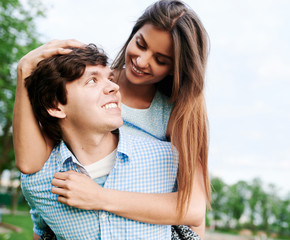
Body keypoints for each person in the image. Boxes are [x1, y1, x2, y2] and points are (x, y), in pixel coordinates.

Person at [14, 0, 210, 238]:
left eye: (160, 60)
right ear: (133, 34)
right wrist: (24, 70)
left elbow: (193, 208)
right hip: (64, 220)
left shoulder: (176, 114)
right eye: (140, 44)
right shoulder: (85, 87)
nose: (141, 61)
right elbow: (30, 163)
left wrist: (99, 197)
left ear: (176, 68)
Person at [21, 44, 182, 239]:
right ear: (55, 106)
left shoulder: (167, 159)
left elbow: (192, 221)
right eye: (92, 81)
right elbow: (41, 232)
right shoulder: (38, 182)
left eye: (110, 79)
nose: (114, 86)